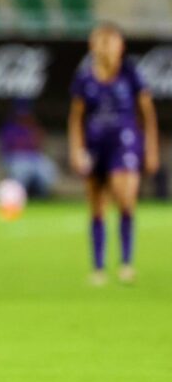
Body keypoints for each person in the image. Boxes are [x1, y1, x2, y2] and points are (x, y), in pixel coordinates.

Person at [68, 23, 159, 285]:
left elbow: (147, 113)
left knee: (125, 196)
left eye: (112, 41)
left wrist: (150, 148)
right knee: (96, 206)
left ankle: (126, 263)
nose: (107, 47)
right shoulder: (85, 78)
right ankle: (98, 267)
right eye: (101, 41)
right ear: (92, 45)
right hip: (96, 144)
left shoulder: (130, 74)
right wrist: (76, 148)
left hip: (125, 142)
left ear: (121, 46)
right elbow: (76, 118)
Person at [0, 99, 57, 198]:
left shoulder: (32, 126)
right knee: (21, 170)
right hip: (16, 157)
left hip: (34, 157)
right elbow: (10, 147)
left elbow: (40, 143)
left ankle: (41, 196)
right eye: (21, 114)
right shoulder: (10, 128)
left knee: (48, 169)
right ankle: (17, 196)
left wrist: (32, 127)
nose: (23, 117)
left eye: (26, 114)